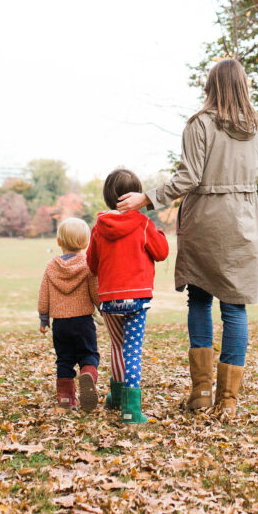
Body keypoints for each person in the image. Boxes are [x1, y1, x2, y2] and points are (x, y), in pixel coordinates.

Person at [117, 58, 258, 419]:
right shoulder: (257, 125)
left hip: (207, 219)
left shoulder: (200, 124)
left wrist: (146, 198)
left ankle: (201, 393)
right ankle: (227, 402)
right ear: (242, 85)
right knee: (235, 306)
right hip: (244, 219)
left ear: (212, 85)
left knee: (199, 300)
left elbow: (189, 178)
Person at [86, 168, 169, 424]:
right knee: (132, 350)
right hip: (137, 299)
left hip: (110, 299)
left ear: (108, 197)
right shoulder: (144, 224)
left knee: (117, 347)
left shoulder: (99, 226)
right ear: (136, 194)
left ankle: (116, 396)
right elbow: (161, 252)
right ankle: (131, 409)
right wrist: (161, 236)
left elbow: (92, 264)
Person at [38, 217, 100, 411]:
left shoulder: (51, 267)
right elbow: (95, 292)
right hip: (83, 322)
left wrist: (43, 318)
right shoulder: (88, 265)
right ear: (85, 243)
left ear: (58, 242)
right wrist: (103, 309)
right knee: (88, 354)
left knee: (64, 359)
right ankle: (88, 374)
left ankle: (65, 400)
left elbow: (44, 295)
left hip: (60, 325)